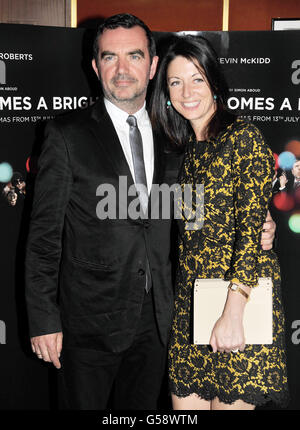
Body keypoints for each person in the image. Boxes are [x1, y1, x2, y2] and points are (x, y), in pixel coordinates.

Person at [25, 15, 276, 410]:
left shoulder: (176, 136)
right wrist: (43, 319)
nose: (122, 69)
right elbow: (43, 239)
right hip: (89, 328)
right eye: (110, 57)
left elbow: (199, 211)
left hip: (162, 322)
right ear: (95, 67)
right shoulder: (66, 135)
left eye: (134, 56)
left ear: (152, 65)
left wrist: (259, 223)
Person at [150, 35, 289, 410]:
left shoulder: (243, 138)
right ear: (165, 92)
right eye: (175, 82)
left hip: (236, 303)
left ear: (214, 82)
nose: (186, 91)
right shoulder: (188, 151)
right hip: (192, 302)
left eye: (197, 78)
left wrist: (233, 312)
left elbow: (249, 235)